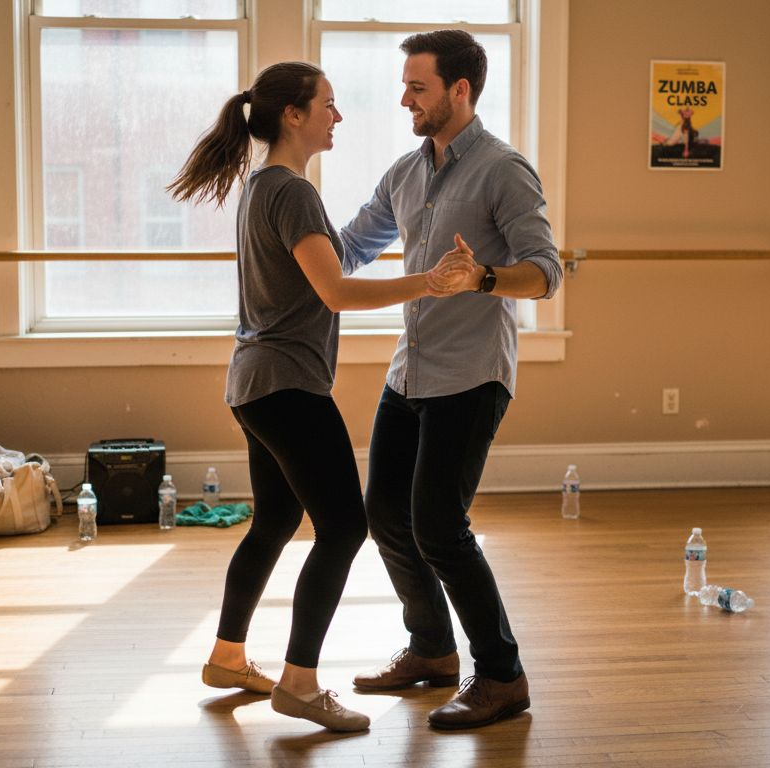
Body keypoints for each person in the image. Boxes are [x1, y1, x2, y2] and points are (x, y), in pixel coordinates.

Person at [168, 61, 474, 733]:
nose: (339, 116)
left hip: (252, 383)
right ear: (293, 116)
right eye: (328, 105)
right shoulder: (294, 192)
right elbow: (334, 291)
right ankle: (300, 684)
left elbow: (330, 268)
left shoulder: (261, 186)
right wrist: (429, 282)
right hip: (286, 388)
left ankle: (226, 657)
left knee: (276, 521)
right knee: (345, 526)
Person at [339, 31, 563, 729]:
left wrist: (486, 276)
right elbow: (347, 246)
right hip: (410, 372)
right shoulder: (406, 173)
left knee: (438, 525)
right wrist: (276, 231)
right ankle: (432, 650)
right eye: (406, 85)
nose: (404, 98)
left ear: (459, 91)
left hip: (472, 375)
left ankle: (502, 675)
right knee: (385, 517)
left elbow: (547, 273)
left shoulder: (503, 170)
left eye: (418, 87)